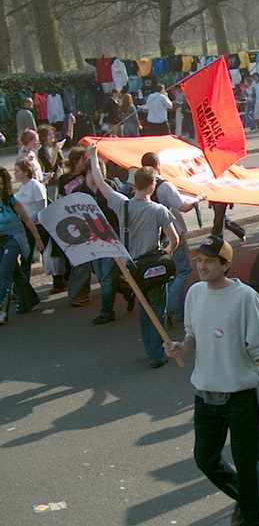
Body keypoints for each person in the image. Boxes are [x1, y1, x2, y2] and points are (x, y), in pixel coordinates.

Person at [164, 236, 259, 526]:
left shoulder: (245, 298)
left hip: (240, 396)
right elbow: (192, 335)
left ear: (226, 264)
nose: (201, 266)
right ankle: (246, 499)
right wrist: (181, 348)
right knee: (206, 459)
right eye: (198, 261)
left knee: (246, 463)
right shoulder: (194, 293)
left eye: (209, 261)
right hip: (205, 394)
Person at [87, 146, 180, 367]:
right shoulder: (159, 210)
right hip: (154, 265)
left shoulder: (122, 204)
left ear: (134, 184)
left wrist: (93, 158)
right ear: (152, 185)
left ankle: (150, 349)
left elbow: (100, 182)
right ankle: (157, 354)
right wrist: (166, 253)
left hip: (132, 267)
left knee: (144, 309)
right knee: (157, 309)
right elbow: (174, 239)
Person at [141, 152, 208, 327]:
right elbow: (183, 206)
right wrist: (199, 198)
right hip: (172, 234)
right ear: (157, 165)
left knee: (165, 273)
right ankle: (172, 309)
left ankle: (165, 308)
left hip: (154, 237)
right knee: (182, 270)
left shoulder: (140, 185)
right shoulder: (164, 186)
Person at [70, 161, 134, 324]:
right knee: (101, 276)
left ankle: (107, 312)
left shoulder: (109, 186)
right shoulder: (78, 192)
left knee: (106, 277)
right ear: (88, 172)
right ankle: (128, 289)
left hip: (111, 238)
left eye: (102, 170)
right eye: (97, 170)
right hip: (92, 240)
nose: (101, 174)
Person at [0, 167, 44, 323]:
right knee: (15, 273)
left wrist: (38, 239)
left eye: (1, 183)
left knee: (4, 273)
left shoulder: (11, 201)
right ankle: (29, 300)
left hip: (14, 239)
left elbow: (27, 220)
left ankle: (2, 310)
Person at [13, 159, 47, 306]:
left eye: (17, 171)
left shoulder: (36, 186)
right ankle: (21, 290)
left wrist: (28, 221)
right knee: (25, 259)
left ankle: (21, 291)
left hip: (36, 227)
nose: (15, 174)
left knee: (38, 256)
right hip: (25, 227)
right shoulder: (23, 187)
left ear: (26, 172)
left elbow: (42, 209)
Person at [37, 125, 64, 203]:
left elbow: (62, 162)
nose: (52, 136)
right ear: (43, 137)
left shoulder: (55, 147)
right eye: (49, 134)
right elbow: (50, 166)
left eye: (53, 134)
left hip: (60, 178)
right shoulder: (41, 152)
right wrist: (56, 151)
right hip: (51, 181)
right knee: (53, 201)